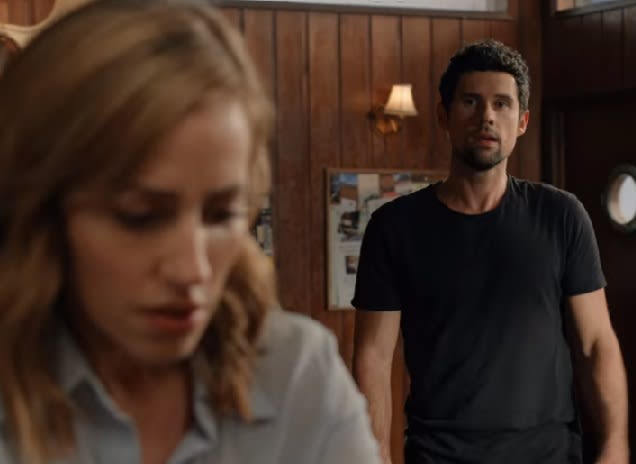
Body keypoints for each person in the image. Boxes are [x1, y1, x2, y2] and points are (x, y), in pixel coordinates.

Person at [0, 1, 380, 463]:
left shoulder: (298, 374)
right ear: (41, 213)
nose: (192, 270)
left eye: (221, 215)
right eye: (140, 217)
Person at [352, 39, 629, 464]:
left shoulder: (561, 216)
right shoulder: (394, 227)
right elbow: (372, 357)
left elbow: (596, 343)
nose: (487, 117)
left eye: (502, 104)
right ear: (444, 116)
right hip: (440, 456)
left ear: (522, 121)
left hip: (549, 455)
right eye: (470, 102)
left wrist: (615, 445)